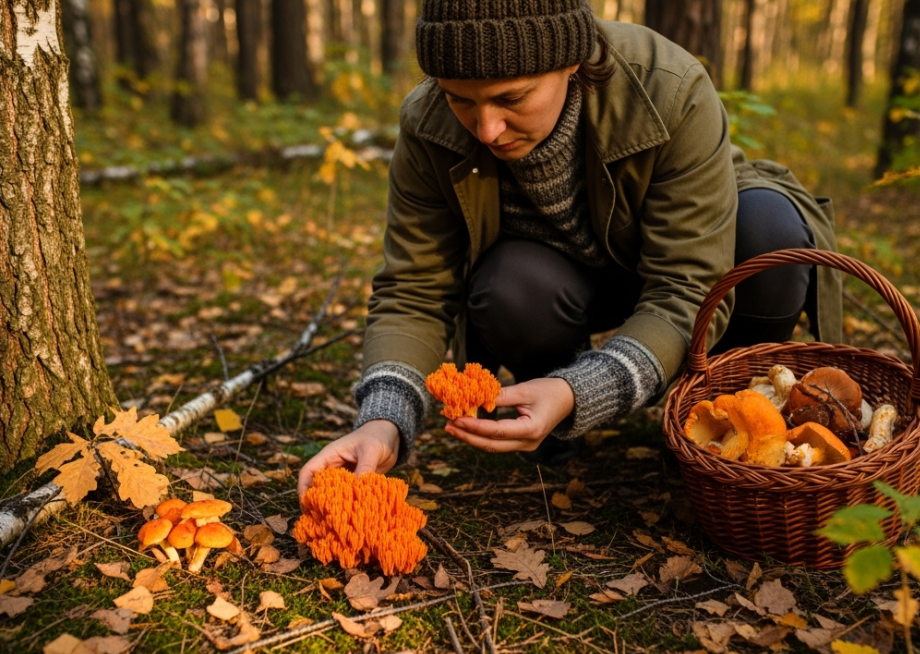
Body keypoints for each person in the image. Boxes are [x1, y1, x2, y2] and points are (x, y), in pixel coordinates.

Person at [298, 0, 841, 496]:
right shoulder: (429, 124)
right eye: (460, 99)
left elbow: (688, 283)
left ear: (573, 62)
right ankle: (552, 419)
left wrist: (588, 388)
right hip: (555, 280)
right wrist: (382, 420)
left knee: (771, 232)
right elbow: (413, 288)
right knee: (508, 286)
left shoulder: (669, 87)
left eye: (512, 98)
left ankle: (720, 417)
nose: (486, 129)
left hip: (683, 260)